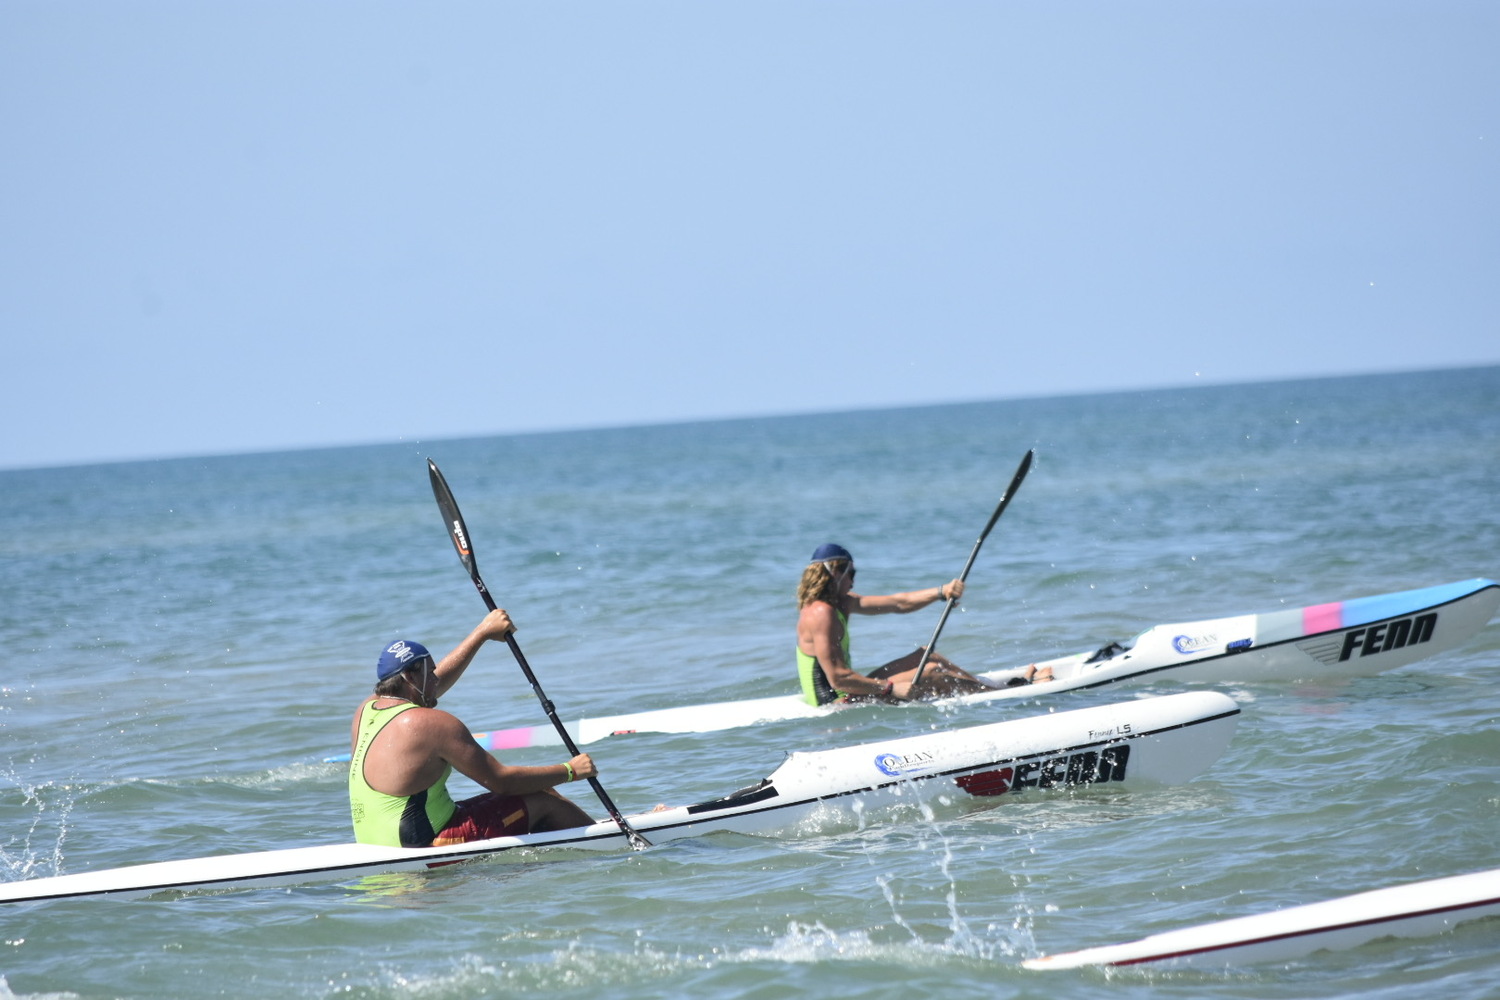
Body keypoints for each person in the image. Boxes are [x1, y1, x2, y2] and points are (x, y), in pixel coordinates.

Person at [349, 608, 597, 848]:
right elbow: (502, 782)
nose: (436, 678)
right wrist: (571, 771)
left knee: (535, 788)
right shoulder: (432, 723)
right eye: (431, 672)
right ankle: (604, 850)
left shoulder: (366, 711)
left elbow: (433, 686)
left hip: (376, 843)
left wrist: (483, 633)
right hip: (426, 843)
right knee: (543, 800)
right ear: (411, 678)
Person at [795, 543, 1050, 707]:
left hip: (850, 689)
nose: (854, 580)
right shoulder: (821, 613)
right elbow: (838, 679)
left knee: (927, 654)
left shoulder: (841, 603)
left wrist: (942, 592)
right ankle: (1004, 696)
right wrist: (891, 688)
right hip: (838, 701)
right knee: (930, 672)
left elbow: (898, 603)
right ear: (836, 573)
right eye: (852, 573)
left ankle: (996, 690)